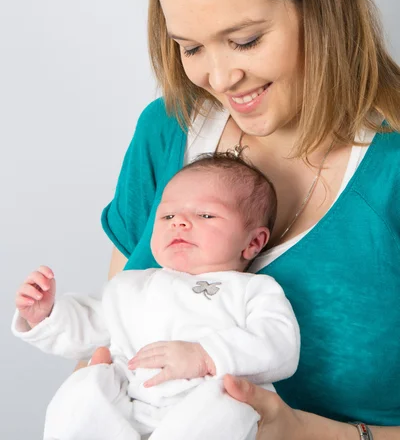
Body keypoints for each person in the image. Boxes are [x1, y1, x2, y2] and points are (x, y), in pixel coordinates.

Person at [36, 0, 400, 439]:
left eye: (245, 40)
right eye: (190, 47)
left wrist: (306, 433)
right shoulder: (167, 131)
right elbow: (116, 337)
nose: (220, 79)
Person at [13, 154, 300, 440]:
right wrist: (46, 315)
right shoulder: (132, 285)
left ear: (253, 242)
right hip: (131, 401)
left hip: (204, 405)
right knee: (84, 388)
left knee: (234, 407)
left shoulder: (254, 290)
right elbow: (87, 325)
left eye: (205, 215)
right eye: (168, 216)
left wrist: (206, 356)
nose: (179, 223)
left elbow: (279, 344)